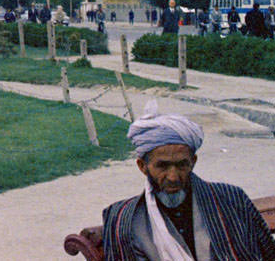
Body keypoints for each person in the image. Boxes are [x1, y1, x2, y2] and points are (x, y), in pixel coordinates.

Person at [101, 102, 275, 260]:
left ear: (193, 162)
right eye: (162, 166)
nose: (173, 177)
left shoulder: (231, 199)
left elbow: (268, 254)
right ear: (142, 166)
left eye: (182, 165)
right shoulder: (122, 218)